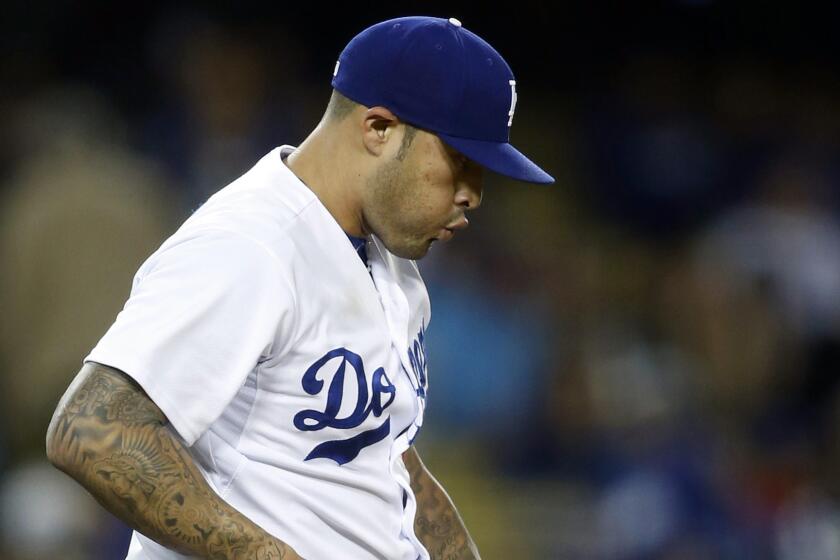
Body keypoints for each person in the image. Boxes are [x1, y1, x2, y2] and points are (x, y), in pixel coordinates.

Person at [46, 15, 554, 560]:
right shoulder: (250, 244)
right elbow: (93, 429)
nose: (473, 194)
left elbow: (383, 456)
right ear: (378, 129)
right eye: (460, 163)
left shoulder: (390, 262)